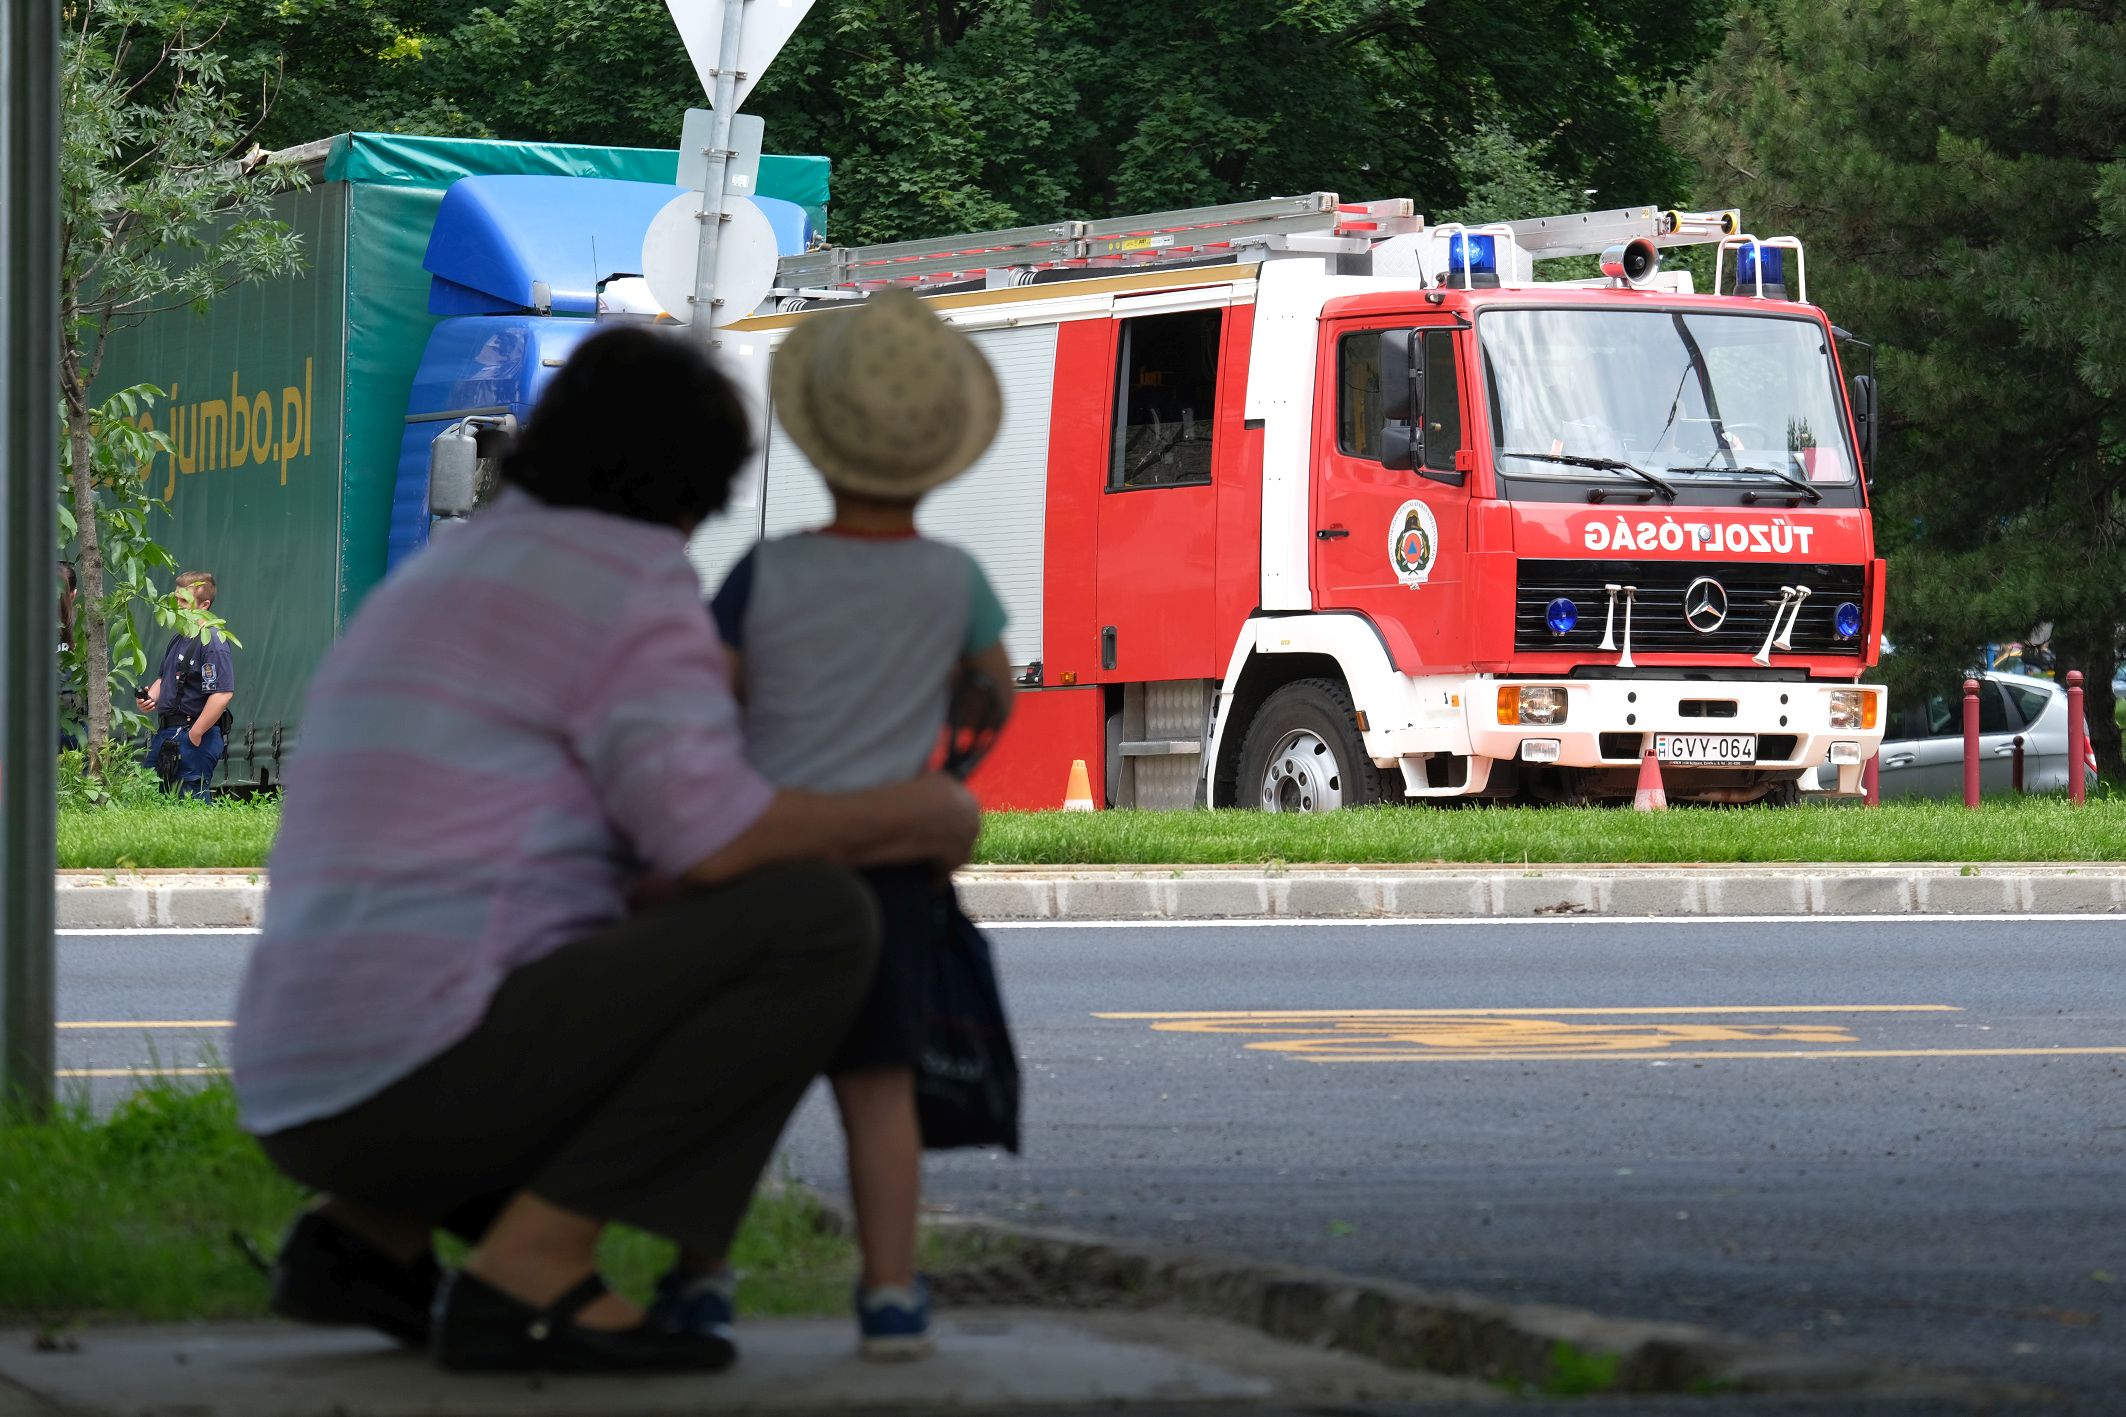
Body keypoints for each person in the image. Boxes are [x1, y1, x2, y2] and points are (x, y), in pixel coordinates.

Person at [230, 325, 981, 1375]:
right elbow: (717, 844)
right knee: (814, 920)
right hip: (417, 1074)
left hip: (295, 1087)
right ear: (688, 493)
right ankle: (530, 1273)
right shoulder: (625, 578)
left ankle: (367, 1237)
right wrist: (919, 810)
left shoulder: (454, 569)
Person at [708, 288, 1014, 1360]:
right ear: (937, 460)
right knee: (879, 1091)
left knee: (737, 1090)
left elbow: (711, 694)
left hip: (770, 862)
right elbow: (990, 691)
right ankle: (889, 1294)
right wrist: (952, 754)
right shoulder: (955, 579)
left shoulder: (767, 570)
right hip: (889, 880)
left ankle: (701, 1278)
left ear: (820, 445)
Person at [138, 570, 235, 801]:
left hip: (193, 733)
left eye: (184, 601)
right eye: (176, 599)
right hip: (167, 732)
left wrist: (195, 734)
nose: (176, 606)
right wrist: (150, 696)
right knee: (148, 796)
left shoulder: (212, 641)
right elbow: (165, 678)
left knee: (192, 801)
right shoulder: (179, 637)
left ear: (204, 605)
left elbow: (222, 693)